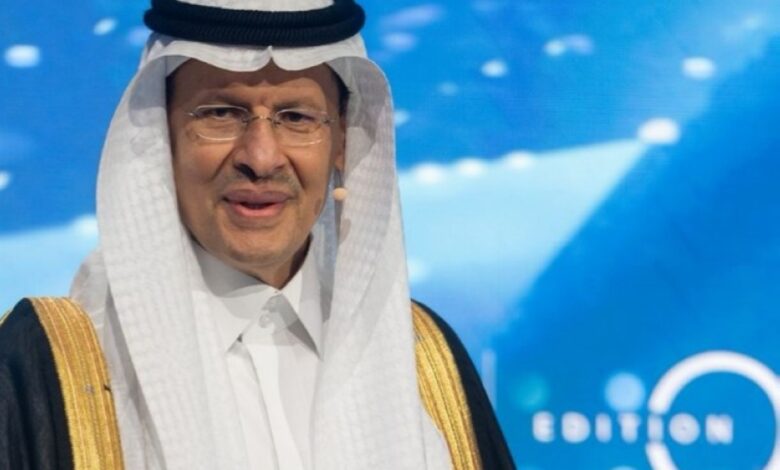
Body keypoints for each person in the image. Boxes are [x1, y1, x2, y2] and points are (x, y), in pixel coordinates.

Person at [0, 1, 514, 469]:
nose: (261, 158)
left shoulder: (425, 359)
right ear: (161, 137)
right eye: (221, 114)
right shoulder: (48, 362)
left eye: (297, 117)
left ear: (340, 143)